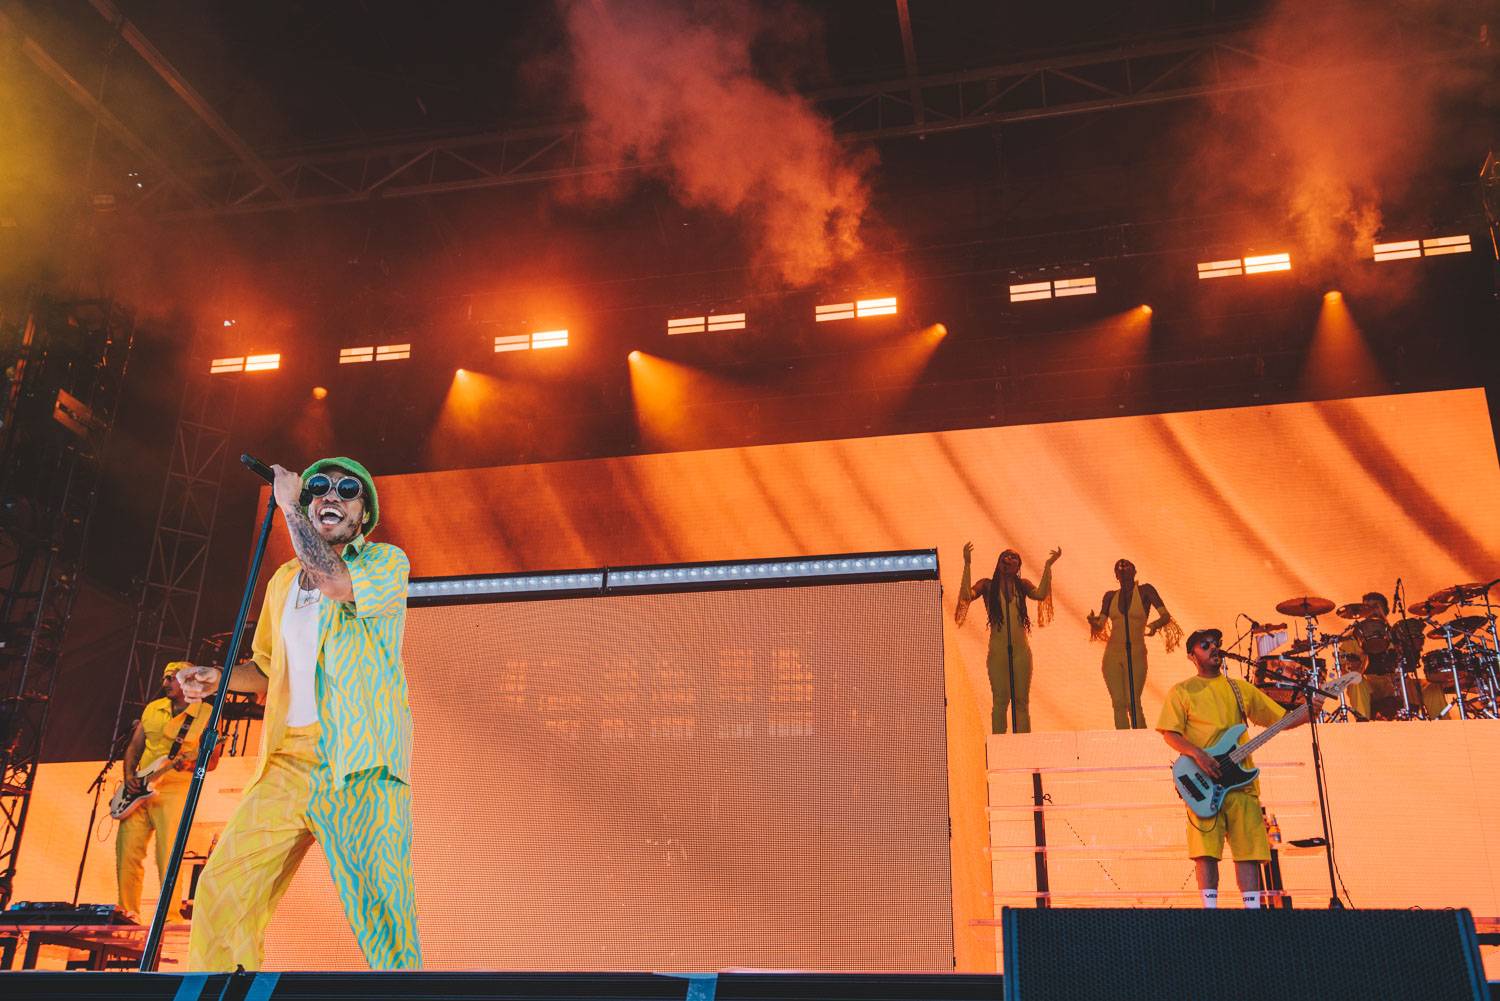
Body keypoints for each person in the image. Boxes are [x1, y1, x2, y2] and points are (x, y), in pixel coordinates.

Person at [177, 457, 420, 970]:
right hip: (287, 762)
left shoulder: (384, 563)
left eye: (347, 490)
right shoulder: (284, 581)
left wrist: (289, 506)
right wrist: (219, 678)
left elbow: (334, 583)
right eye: (318, 488)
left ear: (363, 514)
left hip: (359, 765)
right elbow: (267, 669)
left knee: (384, 916)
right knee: (223, 888)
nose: (331, 496)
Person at [1157, 628, 1318, 909]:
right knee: (1205, 850)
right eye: (1204, 645)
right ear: (1191, 655)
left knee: (1249, 850)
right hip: (1203, 779)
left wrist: (1309, 711)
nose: (1213, 648)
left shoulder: (1238, 688)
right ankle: (1210, 911)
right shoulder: (1182, 691)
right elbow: (1170, 733)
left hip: (1241, 782)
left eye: (1215, 644)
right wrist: (1198, 755)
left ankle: (1252, 911)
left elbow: (1279, 720)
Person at [115, 661, 220, 921]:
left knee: (168, 854)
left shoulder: (207, 714)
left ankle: (169, 916)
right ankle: (127, 912)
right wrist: (129, 776)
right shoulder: (153, 708)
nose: (165, 683)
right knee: (127, 853)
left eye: (171, 678)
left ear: (188, 681)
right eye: (164, 677)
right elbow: (134, 747)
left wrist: (192, 765)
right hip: (138, 791)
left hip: (175, 790)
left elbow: (212, 762)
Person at [956, 543, 1060, 733]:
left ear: (1018, 566)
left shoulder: (1023, 585)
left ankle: (1024, 749)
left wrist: (1048, 566)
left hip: (1021, 653)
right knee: (1000, 701)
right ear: (999, 562)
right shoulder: (987, 585)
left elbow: (1041, 594)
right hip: (998, 654)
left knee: (1021, 701)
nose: (1009, 559)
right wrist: (967, 564)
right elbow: (966, 595)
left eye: (1014, 558)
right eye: (1006, 555)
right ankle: (1001, 749)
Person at [1087, 559, 1182, 729]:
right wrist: (1093, 622)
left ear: (1135, 571)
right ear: (1116, 575)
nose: (1123, 568)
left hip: (1136, 653)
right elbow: (1100, 624)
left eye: (1127, 566)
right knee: (1118, 703)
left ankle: (1142, 744)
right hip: (1112, 655)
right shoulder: (1110, 596)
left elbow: (1165, 615)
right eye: (1119, 567)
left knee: (1133, 701)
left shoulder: (1146, 590)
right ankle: (1123, 744)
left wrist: (1153, 625)